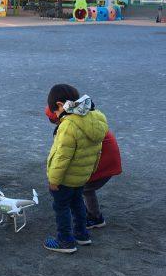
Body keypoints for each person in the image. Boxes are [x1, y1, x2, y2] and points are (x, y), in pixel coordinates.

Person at [44, 84, 108, 254]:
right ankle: (82, 234)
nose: (57, 117)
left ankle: (65, 241)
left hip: (65, 178)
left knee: (62, 207)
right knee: (78, 202)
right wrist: (91, 171)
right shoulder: (94, 118)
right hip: (82, 176)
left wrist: (54, 180)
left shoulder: (68, 125)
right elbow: (97, 150)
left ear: (59, 105)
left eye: (55, 113)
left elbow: (62, 157)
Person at [45, 103, 122, 229]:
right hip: (107, 158)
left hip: (104, 161)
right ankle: (94, 216)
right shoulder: (84, 119)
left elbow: (65, 155)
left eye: (55, 121)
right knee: (85, 188)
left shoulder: (72, 127)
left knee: (83, 188)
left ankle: (94, 218)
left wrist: (56, 178)